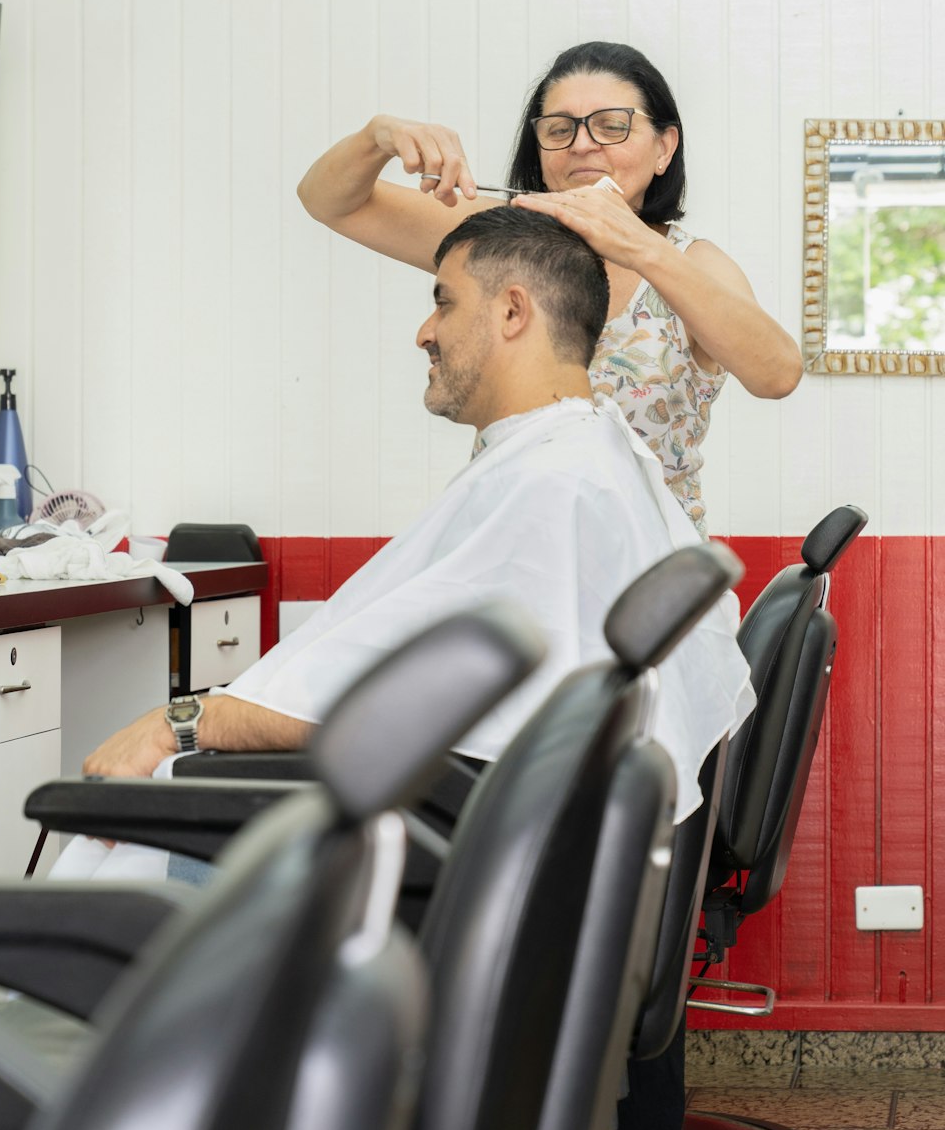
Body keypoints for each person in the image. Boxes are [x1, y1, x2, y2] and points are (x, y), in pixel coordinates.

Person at [81, 207, 752, 825]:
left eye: (443, 302)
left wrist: (185, 722)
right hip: (473, 832)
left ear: (513, 312)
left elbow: (406, 713)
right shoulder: (581, 454)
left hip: (433, 849)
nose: (423, 332)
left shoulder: (552, 481)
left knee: (125, 819)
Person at [297, 40, 803, 532]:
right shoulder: (501, 240)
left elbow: (777, 375)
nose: (582, 144)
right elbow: (329, 201)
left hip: (646, 579)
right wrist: (377, 136)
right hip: (511, 556)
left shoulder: (693, 263)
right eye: (559, 129)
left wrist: (642, 248)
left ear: (663, 148)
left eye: (611, 126)